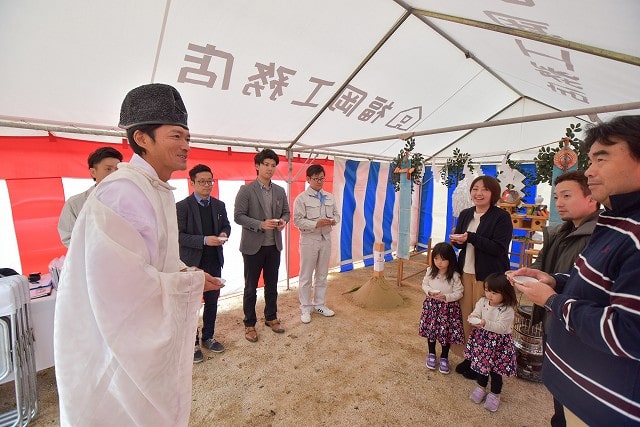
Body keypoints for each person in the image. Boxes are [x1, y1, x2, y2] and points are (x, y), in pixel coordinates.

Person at [54, 83, 223, 426]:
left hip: (132, 346)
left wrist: (186, 272)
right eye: (176, 135)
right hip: (115, 354)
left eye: (187, 136)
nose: (186, 144)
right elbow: (119, 290)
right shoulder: (121, 192)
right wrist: (188, 284)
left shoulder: (152, 188)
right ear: (142, 139)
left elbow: (153, 256)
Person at [511, 115, 640, 425]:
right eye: (590, 159)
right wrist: (555, 278)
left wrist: (553, 300)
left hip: (606, 410)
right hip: (578, 391)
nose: (591, 171)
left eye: (602, 158)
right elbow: (596, 286)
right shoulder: (615, 224)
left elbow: (628, 333)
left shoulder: (632, 233)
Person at [529, 170, 601, 427]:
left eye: (567, 195)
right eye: (557, 196)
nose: (559, 202)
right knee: (560, 391)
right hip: (554, 318)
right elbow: (543, 266)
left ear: (592, 197)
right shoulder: (557, 232)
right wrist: (532, 275)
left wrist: (550, 289)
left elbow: (587, 288)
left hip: (577, 326)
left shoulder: (600, 237)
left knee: (576, 398)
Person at [450, 175, 513, 378]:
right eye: (475, 188)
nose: (479, 193)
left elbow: (499, 248)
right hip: (465, 272)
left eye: (484, 189)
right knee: (468, 317)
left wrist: (471, 237)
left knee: (486, 320)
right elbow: (461, 243)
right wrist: (457, 241)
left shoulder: (501, 217)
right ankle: (469, 357)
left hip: (487, 277)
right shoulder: (466, 214)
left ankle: (485, 364)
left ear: (493, 193)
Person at [234, 148, 290, 342]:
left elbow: (286, 213)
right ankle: (249, 324)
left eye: (273, 165)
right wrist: (259, 224)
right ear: (257, 166)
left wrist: (283, 222)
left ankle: (271, 317)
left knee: (272, 285)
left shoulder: (280, 190)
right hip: (252, 247)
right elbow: (238, 216)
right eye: (266, 164)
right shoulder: (246, 190)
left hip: (273, 245)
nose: (270, 169)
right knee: (250, 287)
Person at [177, 164, 231, 363]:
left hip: (214, 259)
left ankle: (208, 336)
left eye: (210, 181)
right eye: (202, 181)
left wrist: (224, 234)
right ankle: (192, 344)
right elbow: (179, 236)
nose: (207, 185)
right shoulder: (182, 206)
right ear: (192, 183)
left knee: (212, 301)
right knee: (191, 304)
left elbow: (226, 225)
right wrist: (203, 240)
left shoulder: (219, 205)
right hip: (192, 262)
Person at [293, 164, 340, 324]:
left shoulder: (329, 197)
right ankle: (305, 308)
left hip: (326, 239)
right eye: (316, 179)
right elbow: (297, 221)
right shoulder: (301, 199)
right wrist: (316, 224)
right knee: (306, 276)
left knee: (322, 274)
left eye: (322, 178)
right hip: (309, 240)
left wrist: (333, 221)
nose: (320, 181)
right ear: (308, 179)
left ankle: (319, 304)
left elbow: (337, 215)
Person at [465, 273, 517, 413]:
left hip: (499, 344)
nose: (489, 295)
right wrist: (473, 317)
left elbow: (501, 328)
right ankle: (481, 387)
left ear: (505, 293)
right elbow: (476, 312)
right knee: (482, 366)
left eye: (494, 293)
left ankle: (495, 394)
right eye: (487, 290)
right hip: (482, 340)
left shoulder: (507, 310)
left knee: (495, 371)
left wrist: (483, 323)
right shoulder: (482, 302)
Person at [57, 146, 123, 247]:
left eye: (117, 169)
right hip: (91, 259)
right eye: (108, 169)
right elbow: (68, 238)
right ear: (93, 172)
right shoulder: (75, 203)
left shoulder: (127, 199)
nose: (114, 173)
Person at [418, 242, 464, 374]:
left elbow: (459, 292)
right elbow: (424, 284)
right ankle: (431, 353)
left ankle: (444, 357)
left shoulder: (454, 275)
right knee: (431, 331)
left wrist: (446, 297)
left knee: (446, 334)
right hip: (432, 306)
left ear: (450, 259)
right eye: (436, 258)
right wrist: (429, 292)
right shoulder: (430, 271)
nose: (439, 262)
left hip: (447, 309)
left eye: (443, 259)